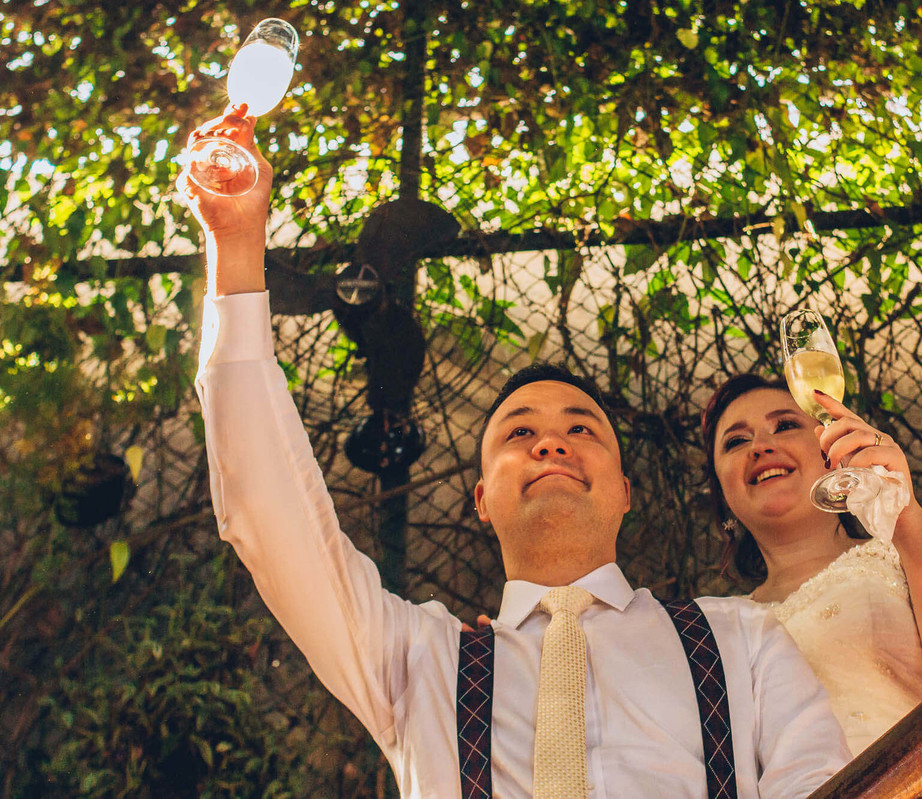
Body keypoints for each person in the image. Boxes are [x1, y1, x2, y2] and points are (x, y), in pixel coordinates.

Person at [182, 106, 849, 798]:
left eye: (582, 430)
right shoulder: (416, 661)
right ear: (481, 499)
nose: (551, 441)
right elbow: (271, 515)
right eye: (519, 433)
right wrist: (236, 246)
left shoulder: (743, 640)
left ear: (625, 491)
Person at [701, 374, 922, 799]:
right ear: (721, 489)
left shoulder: (916, 539)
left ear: (830, 445)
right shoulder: (714, 632)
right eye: (736, 441)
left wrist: (904, 519)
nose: (760, 447)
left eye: (785, 425)